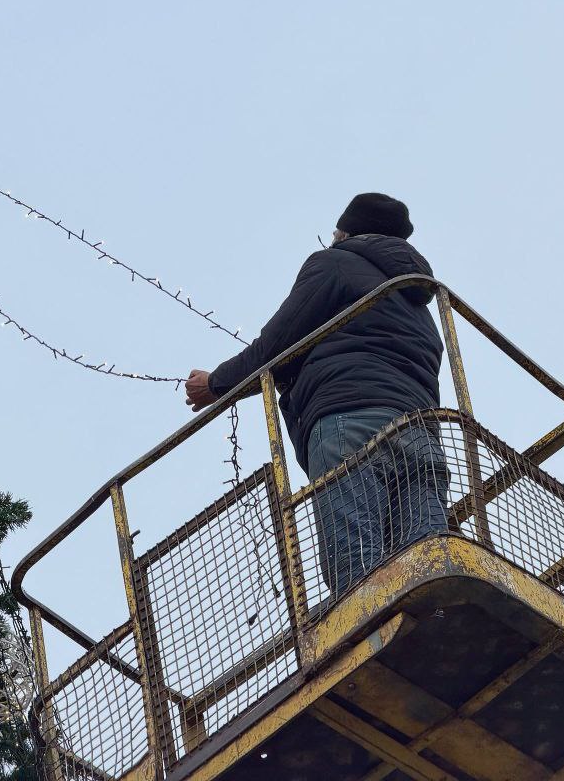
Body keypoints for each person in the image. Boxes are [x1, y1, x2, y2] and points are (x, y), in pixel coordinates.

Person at [185, 193, 449, 599]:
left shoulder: (333, 263)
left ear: (345, 231)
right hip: (420, 431)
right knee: (429, 564)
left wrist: (216, 384)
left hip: (350, 425)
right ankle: (441, 619)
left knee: (360, 580)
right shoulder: (421, 302)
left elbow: (273, 347)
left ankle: (370, 624)